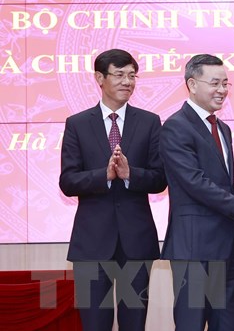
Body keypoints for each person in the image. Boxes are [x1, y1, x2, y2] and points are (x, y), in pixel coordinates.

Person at [159, 54, 234, 331]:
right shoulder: (176, 126)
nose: (222, 90)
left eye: (226, 83)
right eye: (215, 83)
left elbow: (224, 185)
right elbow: (195, 182)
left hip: (228, 246)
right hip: (194, 249)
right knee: (191, 325)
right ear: (192, 84)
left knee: (229, 325)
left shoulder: (222, 128)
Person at [59, 48, 167, 331]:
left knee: (134, 324)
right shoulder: (77, 124)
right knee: (94, 324)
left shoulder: (150, 121)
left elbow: (160, 179)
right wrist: (103, 176)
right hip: (91, 242)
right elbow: (67, 181)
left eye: (132, 76)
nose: (127, 82)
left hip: (136, 240)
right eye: (119, 75)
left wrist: (131, 174)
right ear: (100, 78)